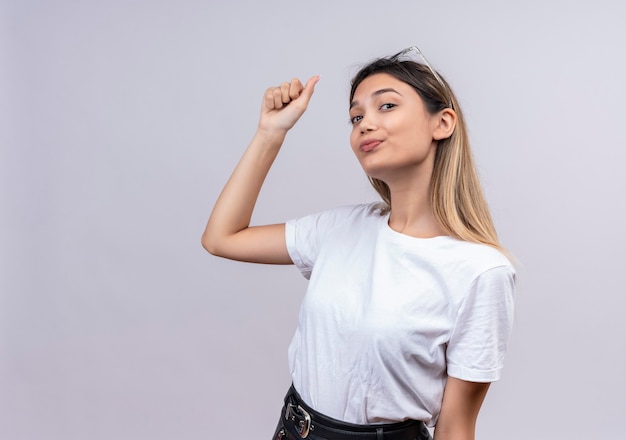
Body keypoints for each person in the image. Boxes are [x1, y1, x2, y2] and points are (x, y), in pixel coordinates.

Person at [202, 46, 516, 440]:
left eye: (386, 106)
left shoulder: (480, 271)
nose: (365, 123)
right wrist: (271, 132)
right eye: (356, 116)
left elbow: (456, 425)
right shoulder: (339, 229)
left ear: (443, 122)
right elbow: (221, 238)